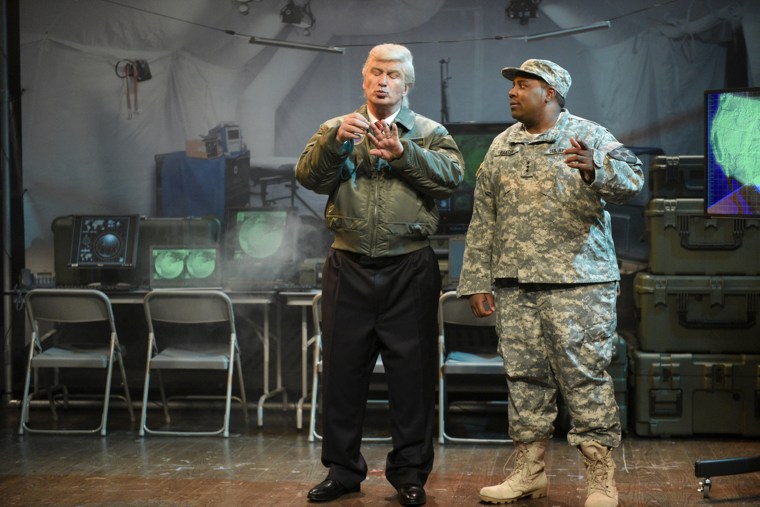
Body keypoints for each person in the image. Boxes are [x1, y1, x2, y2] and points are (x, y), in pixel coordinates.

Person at [456, 59, 643, 507]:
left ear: (552, 94)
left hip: (578, 285)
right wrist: (477, 280)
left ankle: (600, 481)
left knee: (585, 380)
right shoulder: (501, 146)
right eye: (513, 86)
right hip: (517, 286)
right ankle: (529, 473)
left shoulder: (588, 135)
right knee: (524, 380)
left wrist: (596, 168)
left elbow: (634, 179)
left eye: (523, 85)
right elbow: (484, 219)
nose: (512, 93)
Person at [296, 43, 464, 506]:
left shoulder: (429, 133)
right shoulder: (337, 128)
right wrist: (335, 146)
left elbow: (451, 178)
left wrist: (403, 153)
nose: (382, 80)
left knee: (411, 377)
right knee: (342, 374)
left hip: (408, 266)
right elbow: (308, 177)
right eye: (375, 72)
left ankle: (409, 475)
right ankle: (343, 472)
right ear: (364, 80)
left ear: (406, 85)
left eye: (392, 74)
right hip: (347, 264)